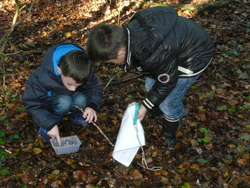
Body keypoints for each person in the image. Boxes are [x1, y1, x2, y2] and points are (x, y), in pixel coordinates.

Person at [86, 6, 214, 150]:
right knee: (150, 86)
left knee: (169, 102)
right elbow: (158, 70)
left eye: (111, 61)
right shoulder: (129, 38)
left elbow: (167, 82)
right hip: (172, 52)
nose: (112, 64)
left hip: (194, 56)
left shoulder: (153, 53)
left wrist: (145, 106)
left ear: (121, 52)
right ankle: (157, 108)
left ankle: (170, 132)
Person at [23, 43, 103, 145]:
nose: (73, 89)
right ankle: (51, 122)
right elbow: (32, 103)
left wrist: (91, 106)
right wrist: (49, 124)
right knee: (64, 101)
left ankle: (76, 115)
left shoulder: (84, 68)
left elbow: (94, 87)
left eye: (78, 85)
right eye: (69, 83)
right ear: (59, 70)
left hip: (71, 99)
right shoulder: (42, 77)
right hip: (51, 103)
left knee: (81, 99)